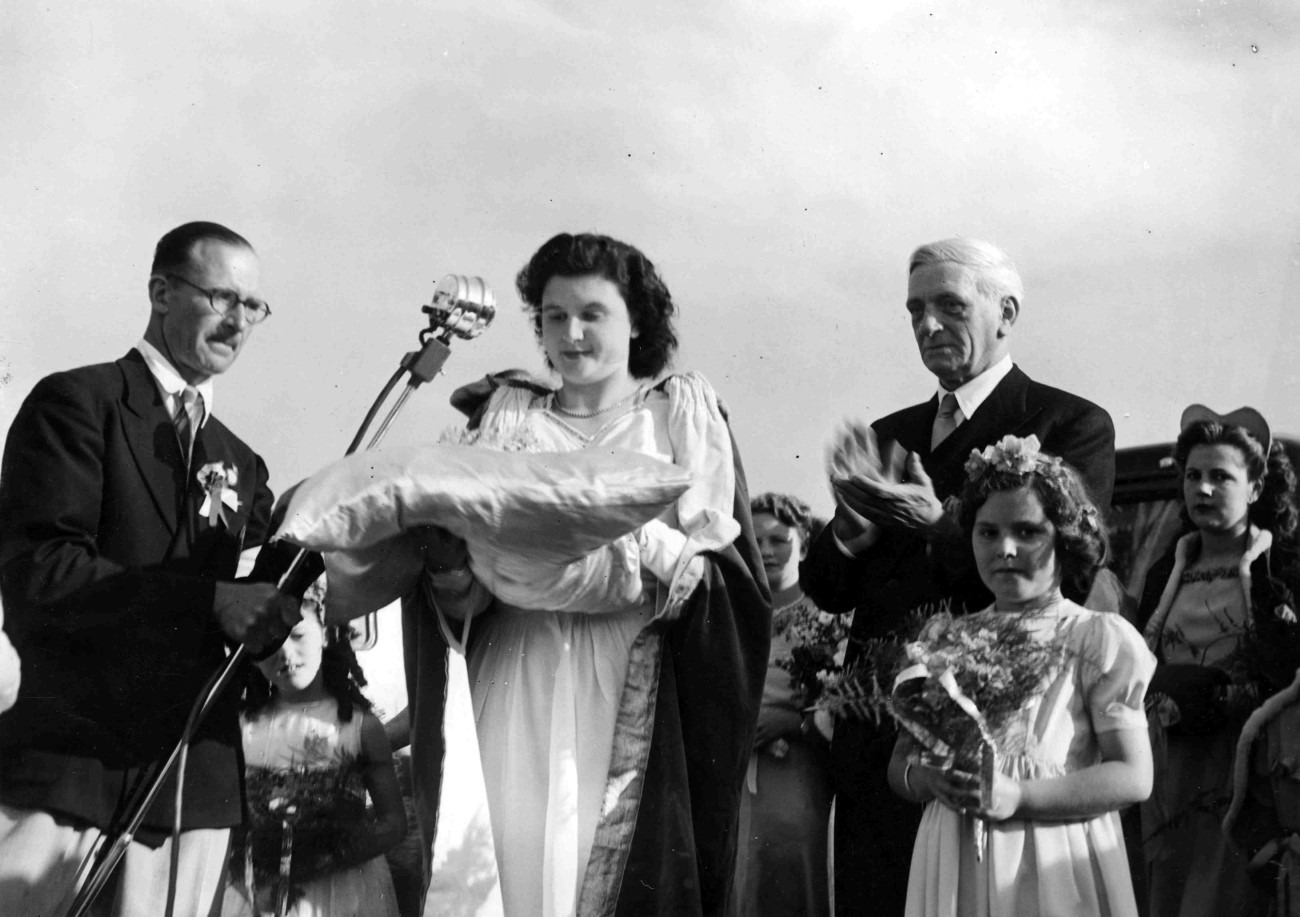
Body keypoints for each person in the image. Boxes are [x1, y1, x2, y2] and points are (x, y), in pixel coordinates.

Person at [326, 232, 771, 917]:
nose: (570, 332)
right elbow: (463, 587)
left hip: (633, 681)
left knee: (613, 864)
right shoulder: (507, 418)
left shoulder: (675, 417)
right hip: (518, 671)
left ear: (638, 321)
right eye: (554, 315)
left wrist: (628, 531)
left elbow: (728, 588)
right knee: (509, 861)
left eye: (593, 313)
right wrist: (447, 564)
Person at [800, 237, 1117, 915]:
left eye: (950, 305)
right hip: (878, 746)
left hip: (988, 747)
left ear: (1006, 313)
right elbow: (827, 587)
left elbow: (1071, 574)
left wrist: (935, 522)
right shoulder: (891, 433)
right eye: (915, 309)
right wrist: (853, 531)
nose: (927, 324)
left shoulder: (1069, 423)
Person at [0, 222, 301, 917]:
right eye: (222, 295)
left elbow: (251, 614)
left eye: (253, 305)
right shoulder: (78, 403)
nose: (239, 320)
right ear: (161, 292)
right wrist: (209, 603)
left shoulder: (243, 462)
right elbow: (41, 574)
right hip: (69, 777)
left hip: (192, 790)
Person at [888, 435, 1153, 917]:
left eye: (1027, 532)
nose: (1005, 549)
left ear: (1065, 538)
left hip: (1051, 851)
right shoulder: (944, 637)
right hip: (956, 852)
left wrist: (1021, 796)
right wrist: (927, 779)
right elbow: (901, 763)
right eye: (987, 533)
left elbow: (1134, 776)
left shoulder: (1093, 636)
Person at [1137, 406, 1300, 917]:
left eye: (1221, 477)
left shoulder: (1281, 570)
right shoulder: (1168, 568)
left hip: (1244, 772)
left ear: (1254, 487)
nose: (1203, 490)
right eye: (1193, 476)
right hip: (1168, 769)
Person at [221, 578, 406, 917]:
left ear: (325, 632)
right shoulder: (243, 727)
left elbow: (394, 823)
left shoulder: (359, 726)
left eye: (298, 636)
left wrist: (325, 858)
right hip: (258, 892)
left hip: (342, 893)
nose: (286, 655)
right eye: (270, 644)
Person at [730, 493, 838, 917]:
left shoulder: (828, 613)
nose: (768, 551)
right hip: (737, 768)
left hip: (798, 766)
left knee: (792, 873)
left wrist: (792, 721)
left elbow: (847, 697)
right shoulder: (733, 610)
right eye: (757, 540)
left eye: (780, 539)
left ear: (805, 542)